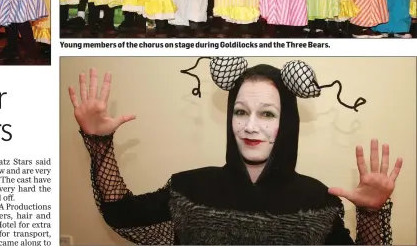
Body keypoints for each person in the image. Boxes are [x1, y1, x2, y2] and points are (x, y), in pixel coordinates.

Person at [68, 59, 402, 245]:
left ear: (287, 123)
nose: (249, 126)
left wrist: (372, 214)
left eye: (267, 114)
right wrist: (100, 146)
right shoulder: (190, 187)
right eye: (240, 112)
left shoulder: (318, 199)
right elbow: (121, 213)